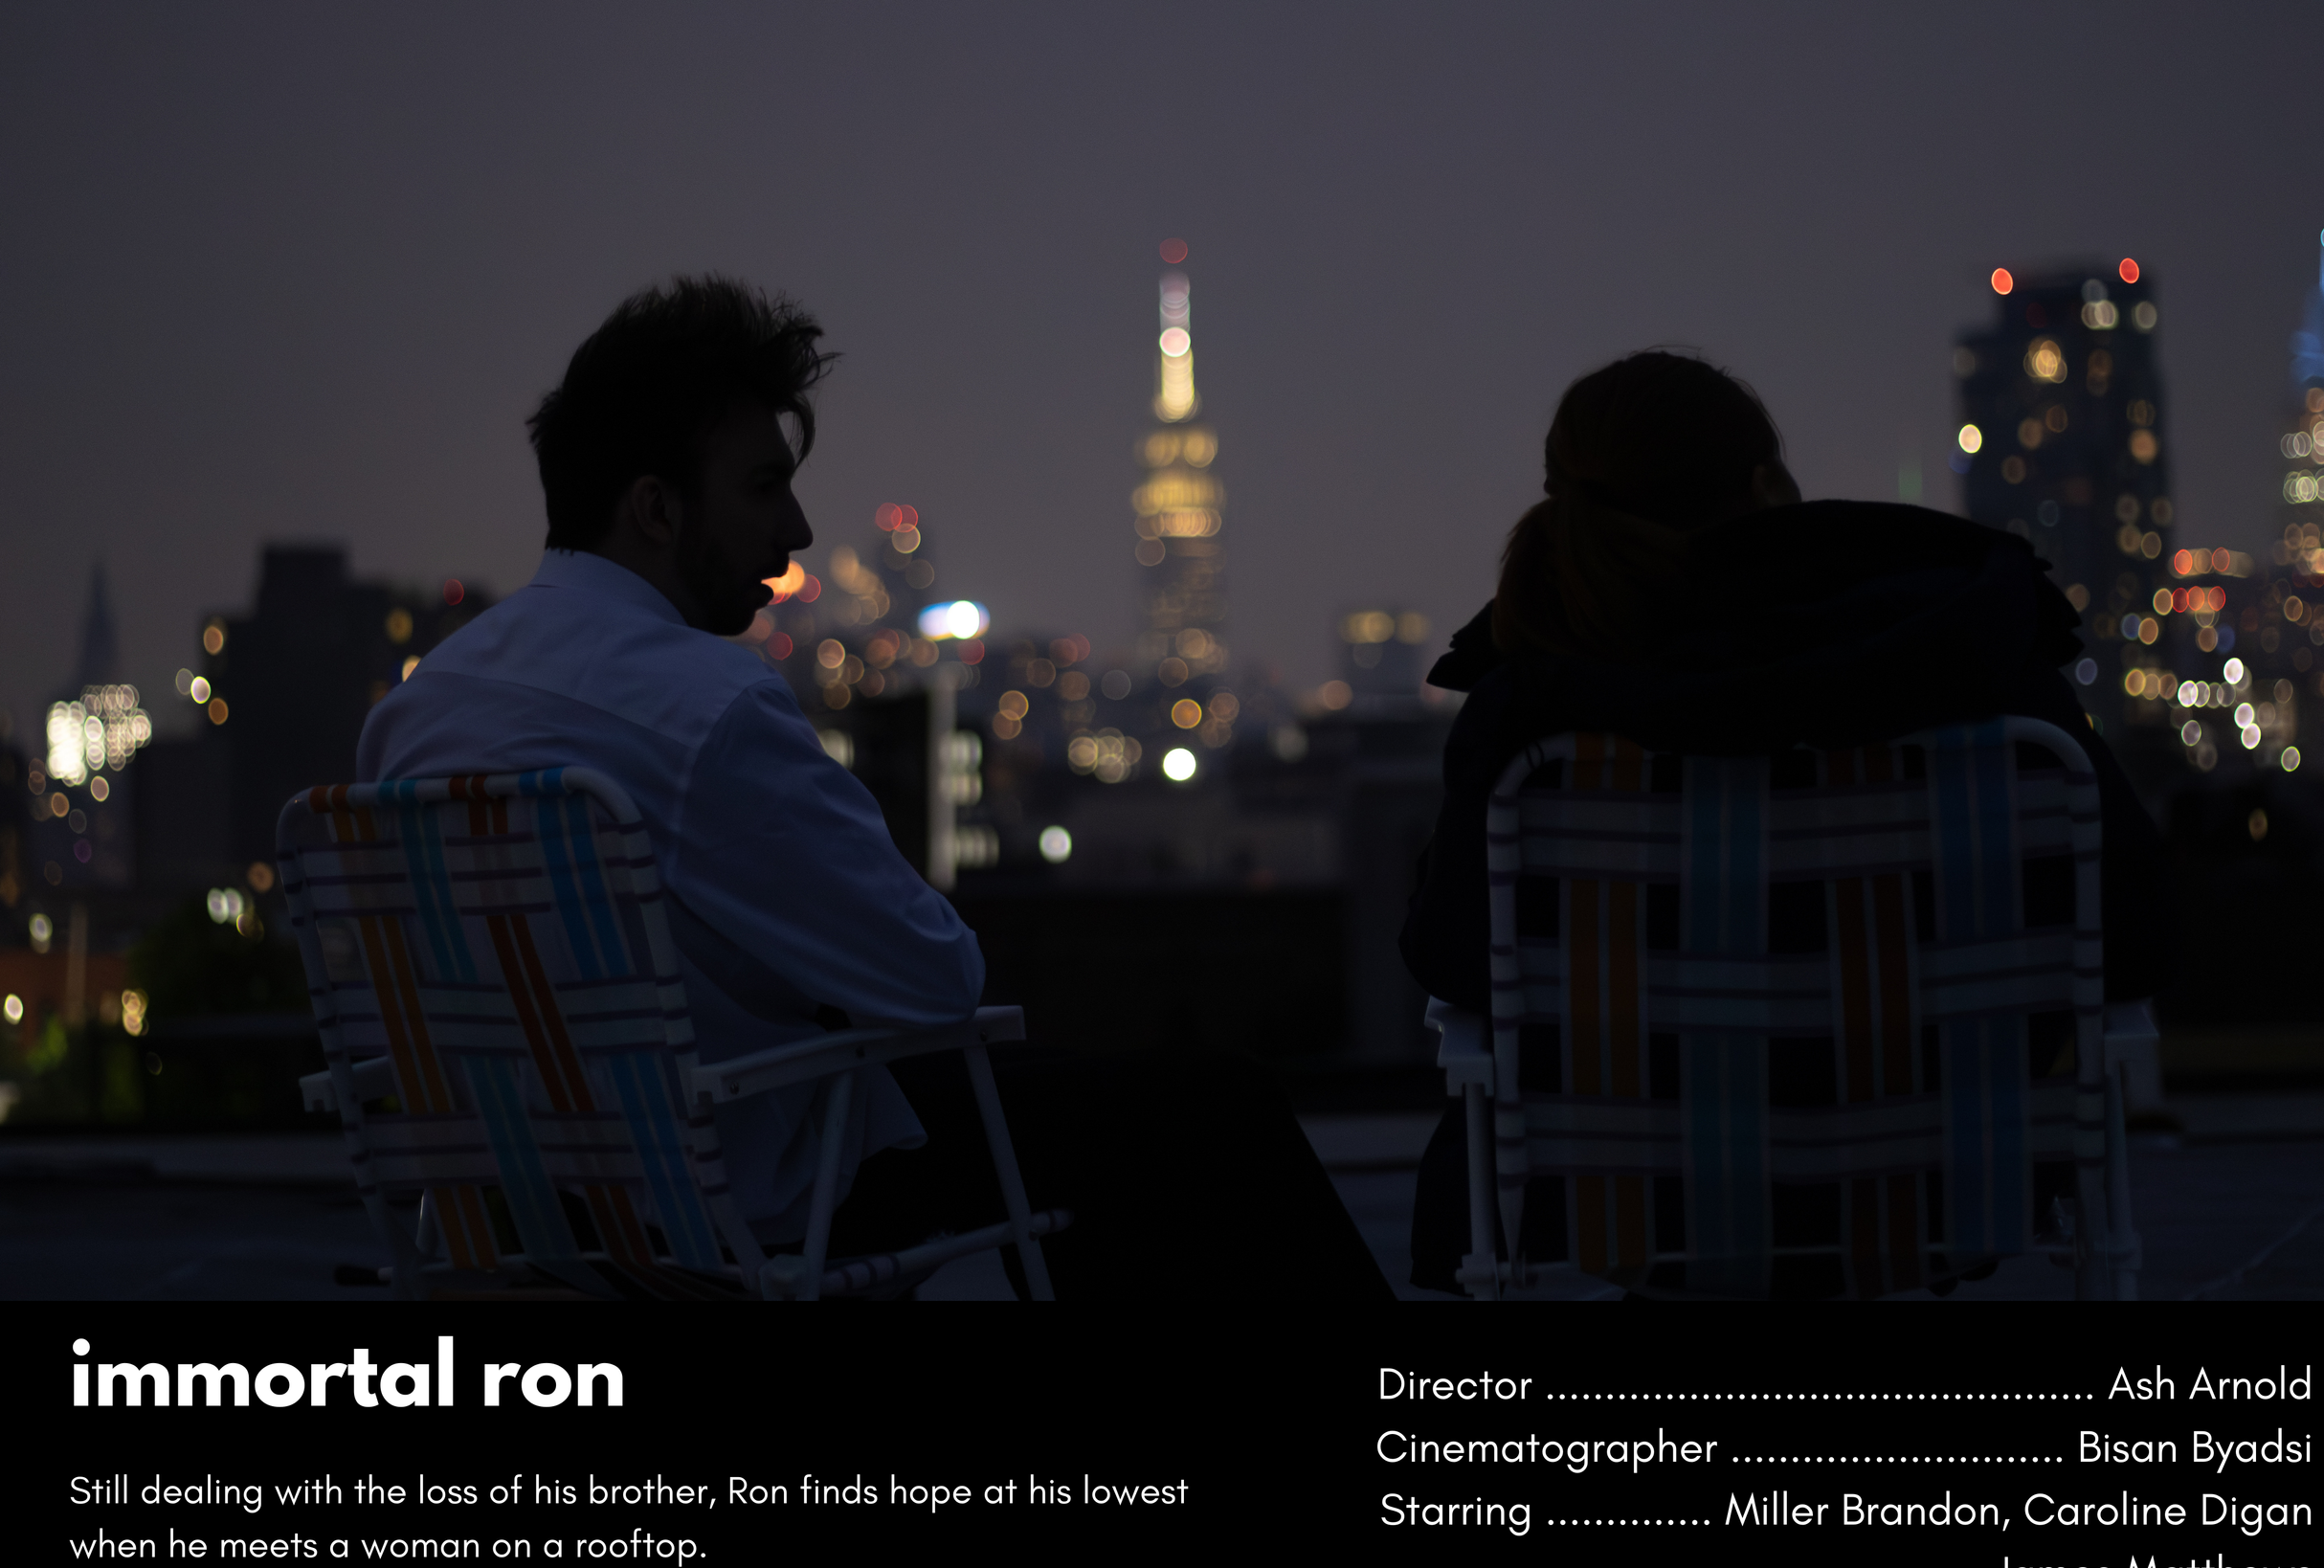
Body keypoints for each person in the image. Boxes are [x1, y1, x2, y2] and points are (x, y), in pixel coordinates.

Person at [356, 276, 1388, 1300]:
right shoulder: (707, 707)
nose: (798, 529)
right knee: (1210, 1115)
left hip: (528, 1215)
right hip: (759, 1199)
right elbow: (935, 979)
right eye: (764, 486)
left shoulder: (416, 715)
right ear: (656, 508)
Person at [1398, 350, 2174, 1294]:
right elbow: (2132, 933)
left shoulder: (1535, 715)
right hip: (1946, 1183)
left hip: (1619, 1199)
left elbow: (1454, 958)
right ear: (1766, 485)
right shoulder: (1983, 669)